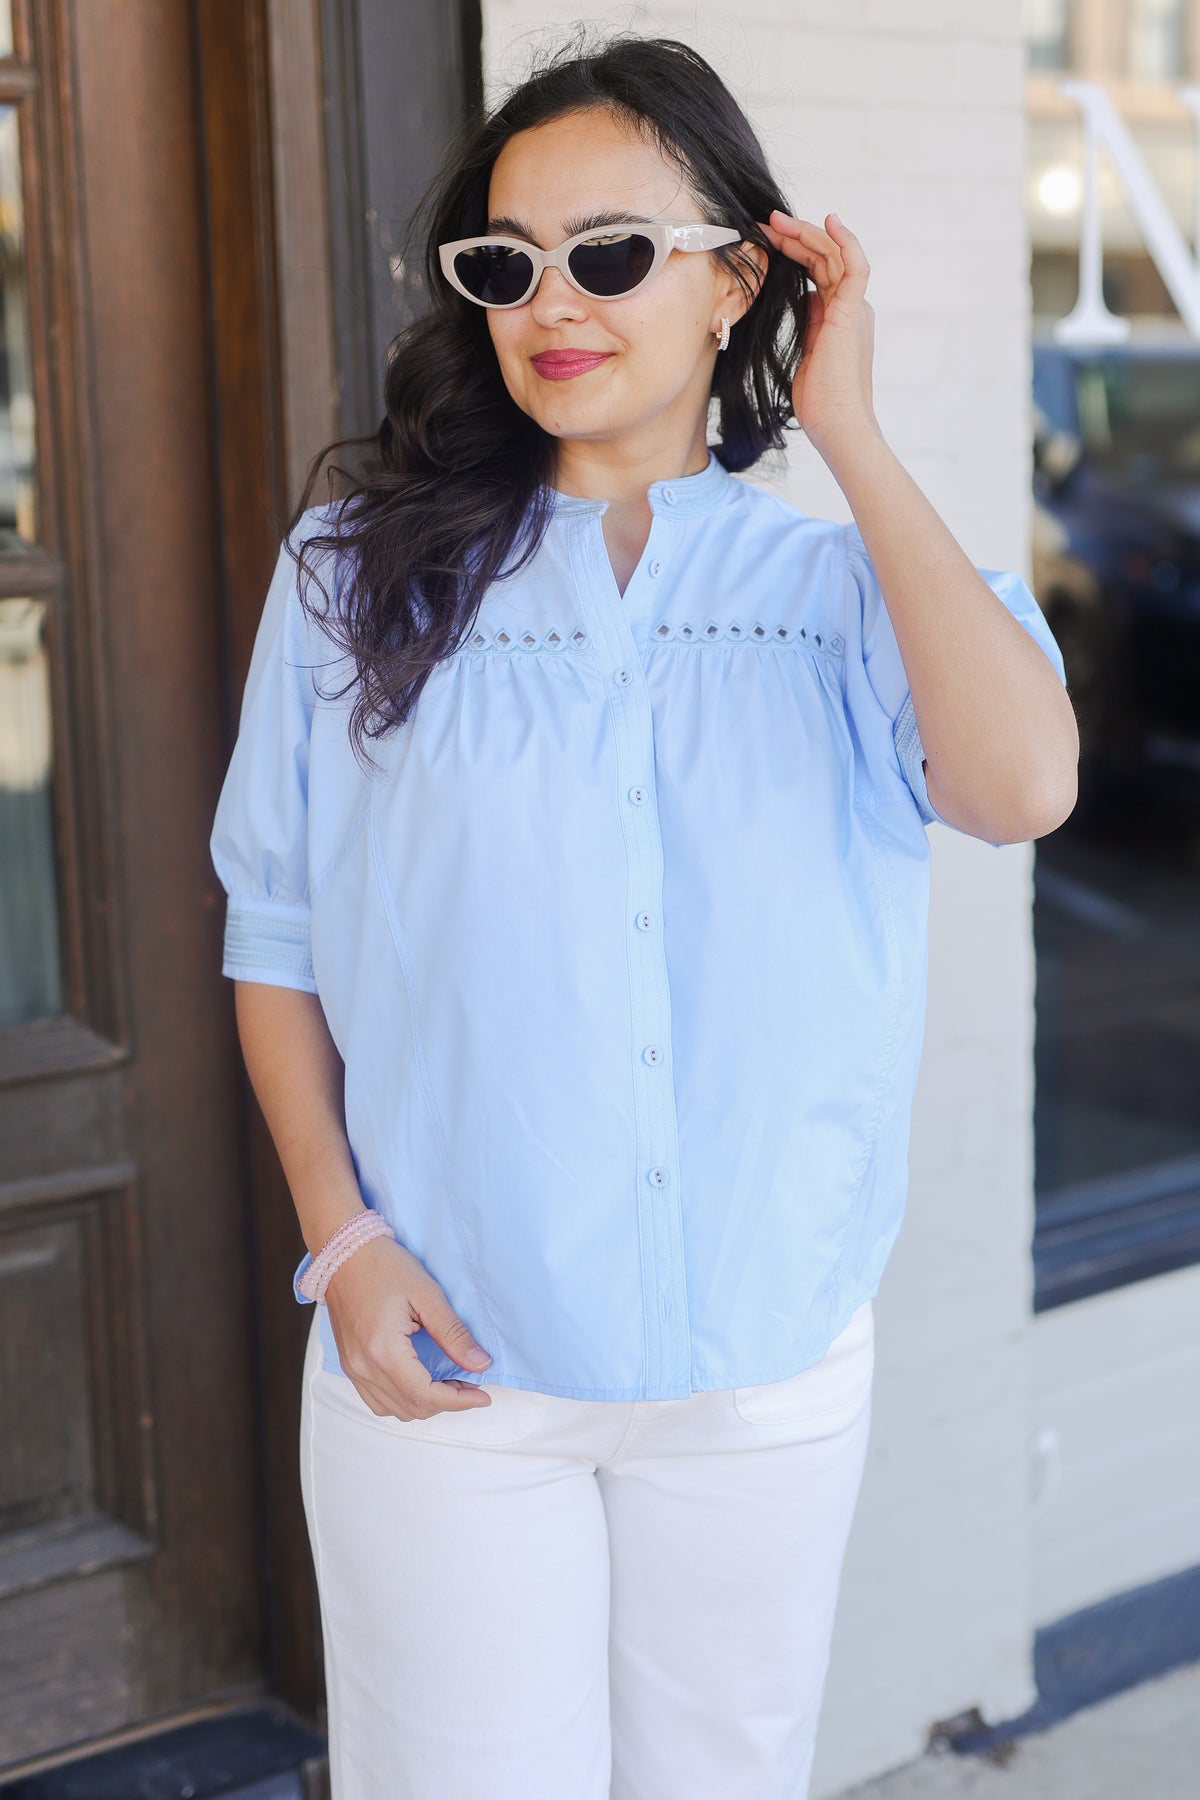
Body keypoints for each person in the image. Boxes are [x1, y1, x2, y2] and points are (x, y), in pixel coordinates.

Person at [208, 29, 1079, 1800]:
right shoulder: (354, 583)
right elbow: (276, 929)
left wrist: (845, 430)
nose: (553, 303)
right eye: (506, 264)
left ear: (737, 276)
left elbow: (1021, 789)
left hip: (759, 1360)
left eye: (610, 255)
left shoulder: (844, 591)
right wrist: (342, 1243)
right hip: (451, 1362)